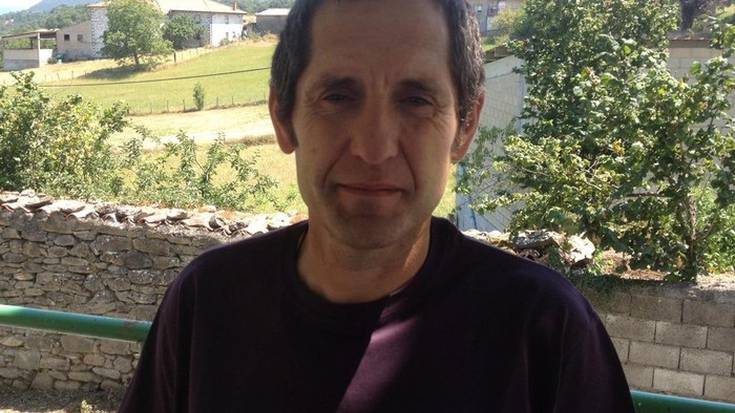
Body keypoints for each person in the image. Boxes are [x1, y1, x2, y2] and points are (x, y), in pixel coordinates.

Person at [119, 0, 635, 412]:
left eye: (416, 101)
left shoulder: (542, 328)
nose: (374, 148)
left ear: (465, 126)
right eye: (339, 97)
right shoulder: (209, 303)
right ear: (283, 116)